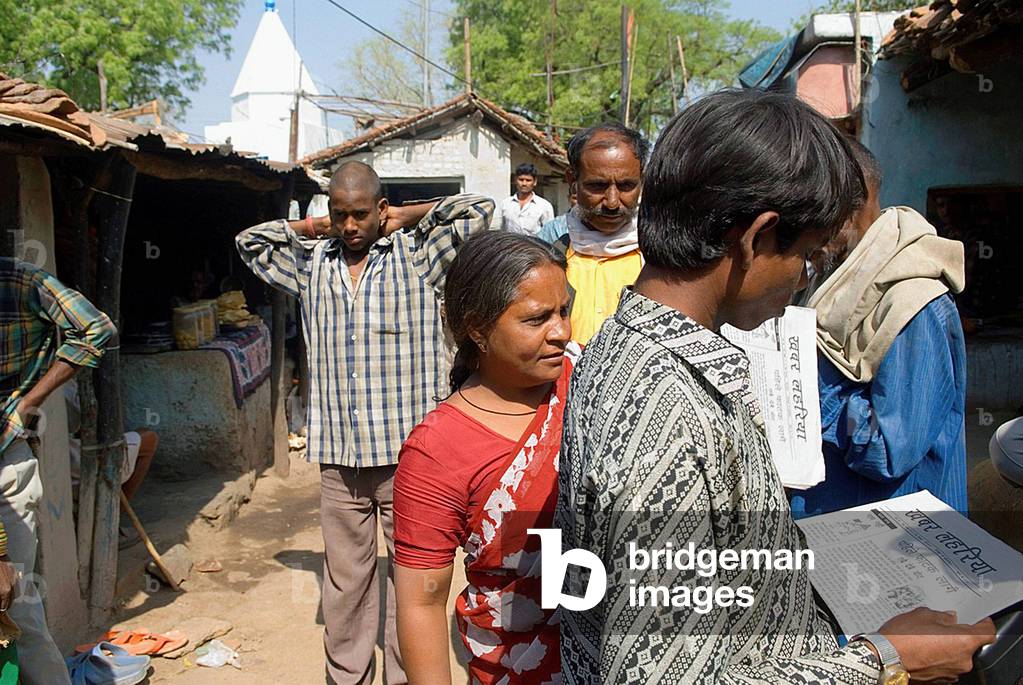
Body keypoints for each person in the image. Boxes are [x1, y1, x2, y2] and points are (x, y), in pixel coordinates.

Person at [556, 89, 994, 684]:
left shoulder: (622, 347)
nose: (802, 281)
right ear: (758, 238)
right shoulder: (668, 403)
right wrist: (885, 661)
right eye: (807, 257)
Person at [236, 161, 493, 685]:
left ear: (380, 209)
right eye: (339, 215)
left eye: (360, 214)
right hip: (340, 459)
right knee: (346, 580)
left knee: (412, 579)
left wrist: (404, 216)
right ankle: (348, 676)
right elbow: (250, 243)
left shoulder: (418, 256)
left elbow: (477, 211)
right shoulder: (312, 265)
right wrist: (311, 228)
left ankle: (405, 676)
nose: (349, 227)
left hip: (411, 458)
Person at [393, 231, 576, 685]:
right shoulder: (437, 450)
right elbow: (421, 602)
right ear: (477, 329)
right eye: (537, 319)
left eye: (564, 311)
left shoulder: (590, 386)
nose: (562, 332)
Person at [789, 141, 968, 518]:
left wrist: (804, 386)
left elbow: (888, 451)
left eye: (811, 217)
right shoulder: (833, 282)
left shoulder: (914, 304)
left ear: (849, 209)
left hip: (895, 538)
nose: (802, 235)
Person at [0, 257, 116, 685]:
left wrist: (29, 402)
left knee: (16, 605)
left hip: (4, 462)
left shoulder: (20, 281)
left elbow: (96, 329)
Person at [548, 122, 648, 344]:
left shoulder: (661, 262)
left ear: (642, 180)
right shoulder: (549, 257)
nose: (612, 202)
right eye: (597, 186)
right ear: (573, 182)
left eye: (626, 186)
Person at [499, 163, 554, 236]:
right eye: (521, 180)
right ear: (515, 180)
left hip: (534, 246)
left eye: (528, 180)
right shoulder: (505, 204)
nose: (524, 183)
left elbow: (549, 233)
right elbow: (499, 229)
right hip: (510, 246)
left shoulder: (544, 206)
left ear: (534, 182)